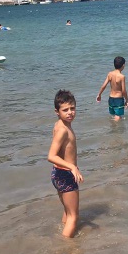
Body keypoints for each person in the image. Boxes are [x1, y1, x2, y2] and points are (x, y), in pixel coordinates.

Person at [48, 90, 83, 238]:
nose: (70, 113)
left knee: (68, 212)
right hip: (65, 175)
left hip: (58, 174)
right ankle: (68, 247)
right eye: (65, 110)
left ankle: (63, 233)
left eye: (72, 108)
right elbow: (51, 156)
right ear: (57, 112)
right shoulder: (63, 130)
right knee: (74, 217)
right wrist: (72, 167)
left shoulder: (60, 125)